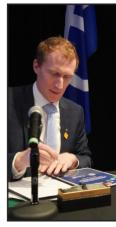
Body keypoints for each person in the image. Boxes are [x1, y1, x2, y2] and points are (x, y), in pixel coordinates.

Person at [8, 36, 92, 181]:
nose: (60, 85)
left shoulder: (75, 111)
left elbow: (85, 157)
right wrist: (19, 160)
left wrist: (73, 160)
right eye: (55, 74)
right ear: (36, 66)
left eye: (67, 77)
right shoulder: (8, 101)